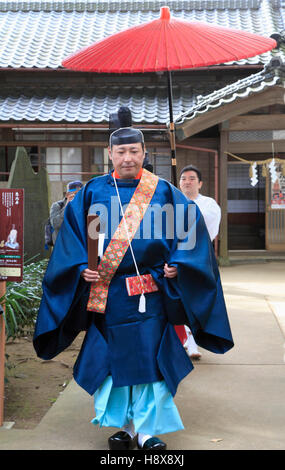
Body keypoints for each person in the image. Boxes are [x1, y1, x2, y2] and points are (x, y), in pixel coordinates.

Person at [33, 127, 233, 451]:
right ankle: (124, 427)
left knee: (150, 362)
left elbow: (190, 231)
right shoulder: (92, 192)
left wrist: (179, 263)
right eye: (121, 152)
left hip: (150, 295)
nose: (127, 158)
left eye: (134, 151)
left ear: (144, 153)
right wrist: (81, 268)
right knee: (113, 362)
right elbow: (73, 240)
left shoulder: (164, 192)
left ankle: (147, 430)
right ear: (109, 154)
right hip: (108, 294)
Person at [177, 165, 221, 360]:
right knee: (177, 300)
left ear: (200, 183)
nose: (187, 181)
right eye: (184, 178)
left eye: (192, 178)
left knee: (197, 299)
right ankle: (185, 341)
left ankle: (194, 339)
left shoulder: (209, 204)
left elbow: (207, 231)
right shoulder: (172, 202)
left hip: (199, 258)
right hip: (175, 258)